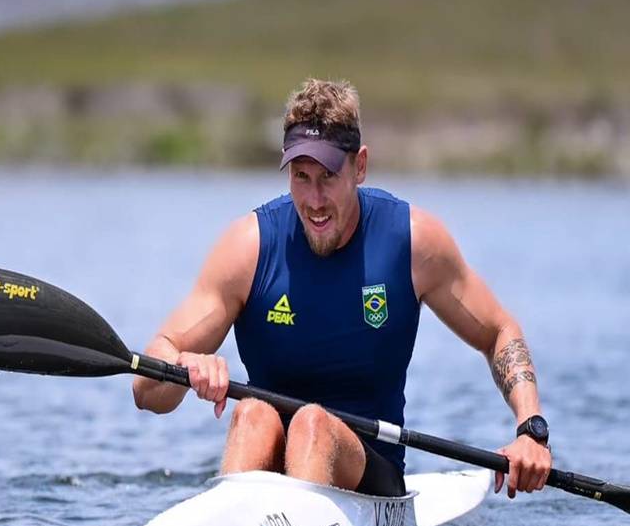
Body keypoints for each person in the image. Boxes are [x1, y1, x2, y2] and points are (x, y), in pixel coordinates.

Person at [132, 78, 551, 499]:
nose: (314, 200)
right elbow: (146, 390)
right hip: (269, 464)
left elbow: (498, 331)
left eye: (328, 176)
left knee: (313, 423)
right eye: (301, 176)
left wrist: (530, 430)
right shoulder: (248, 248)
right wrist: (184, 367)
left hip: (371, 472)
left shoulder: (413, 243)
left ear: (360, 166)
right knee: (253, 415)